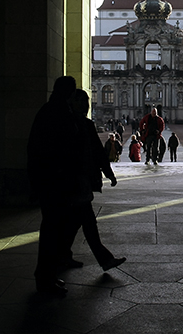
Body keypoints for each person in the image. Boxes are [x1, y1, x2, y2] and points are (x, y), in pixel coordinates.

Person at [27, 76, 79, 295]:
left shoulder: (49, 110)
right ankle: (45, 278)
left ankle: (47, 274)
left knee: (53, 228)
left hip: (51, 178)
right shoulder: (58, 113)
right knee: (52, 230)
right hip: (55, 180)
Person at [65, 90, 126, 272]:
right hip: (78, 181)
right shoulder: (83, 125)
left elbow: (98, 152)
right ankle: (104, 260)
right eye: (82, 101)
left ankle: (63, 256)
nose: (86, 105)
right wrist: (108, 173)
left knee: (77, 222)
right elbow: (98, 152)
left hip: (74, 181)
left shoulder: (69, 124)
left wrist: (108, 172)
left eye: (87, 101)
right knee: (87, 222)